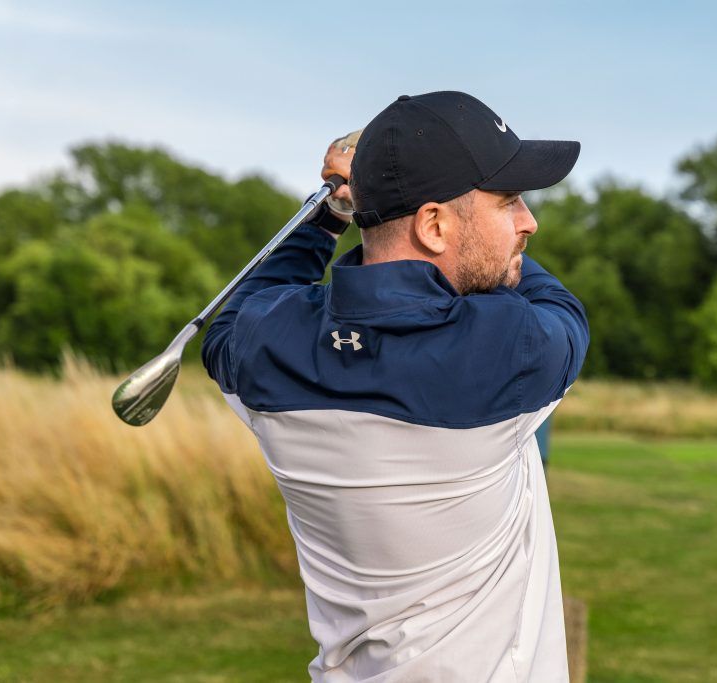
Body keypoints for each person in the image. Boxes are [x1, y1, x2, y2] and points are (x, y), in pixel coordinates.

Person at [201, 90, 588, 682]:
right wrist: (355, 204)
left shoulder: (265, 347)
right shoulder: (506, 349)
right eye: (508, 201)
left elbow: (232, 318)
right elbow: (560, 310)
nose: (528, 221)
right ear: (433, 224)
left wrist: (329, 215)